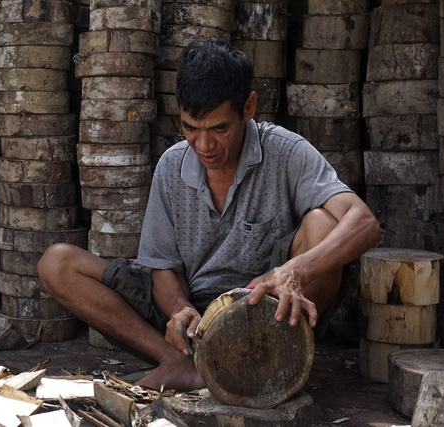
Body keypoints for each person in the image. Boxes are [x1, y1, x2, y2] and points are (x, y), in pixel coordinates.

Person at [38, 38, 382, 392]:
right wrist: (177, 308)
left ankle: (262, 364)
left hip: (262, 315)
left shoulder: (286, 152)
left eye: (219, 128)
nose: (203, 146)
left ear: (248, 107)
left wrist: (291, 271)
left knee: (324, 222)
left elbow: (365, 222)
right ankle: (179, 363)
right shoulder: (171, 167)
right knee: (57, 263)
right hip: (194, 324)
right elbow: (164, 268)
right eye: (190, 128)